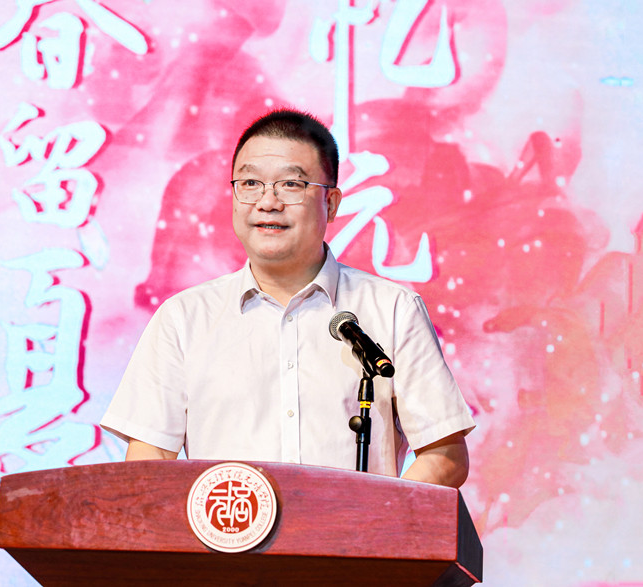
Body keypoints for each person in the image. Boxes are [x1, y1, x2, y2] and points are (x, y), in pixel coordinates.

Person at [101, 109, 475, 487]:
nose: (268, 202)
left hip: (356, 528)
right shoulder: (183, 318)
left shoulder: (392, 310)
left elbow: (444, 453)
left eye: (291, 185)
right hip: (226, 527)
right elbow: (148, 463)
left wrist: (379, 517)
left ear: (331, 204)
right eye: (250, 183)